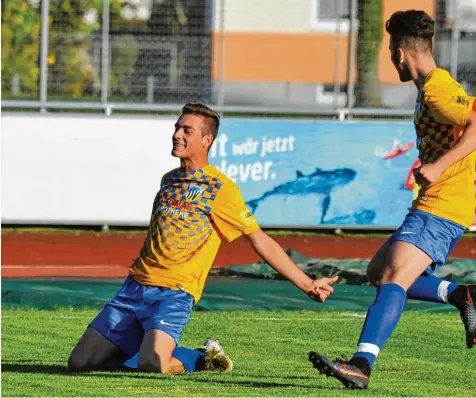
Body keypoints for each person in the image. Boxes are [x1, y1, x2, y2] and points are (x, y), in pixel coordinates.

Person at [67, 103, 338, 375]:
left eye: (187, 130)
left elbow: (260, 240)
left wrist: (307, 284)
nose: (177, 134)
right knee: (79, 363)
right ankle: (144, 344)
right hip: (133, 288)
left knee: (156, 365)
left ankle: (201, 356)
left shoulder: (220, 188)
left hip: (174, 293)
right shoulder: (169, 180)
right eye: (176, 127)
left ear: (206, 140)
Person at [309, 10, 476, 389]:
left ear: (399, 53)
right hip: (436, 202)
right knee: (377, 271)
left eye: (389, 51)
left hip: (444, 203)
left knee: (394, 277)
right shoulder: (431, 88)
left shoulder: (436, 87)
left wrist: (439, 166)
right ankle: (461, 293)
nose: (390, 58)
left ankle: (361, 364)